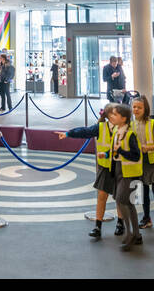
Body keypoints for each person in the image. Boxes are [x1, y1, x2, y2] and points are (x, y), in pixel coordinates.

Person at [59, 102, 142, 248]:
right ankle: (99, 226)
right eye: (111, 113)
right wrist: (68, 134)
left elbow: (133, 152)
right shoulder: (103, 127)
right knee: (103, 196)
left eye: (114, 113)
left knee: (121, 199)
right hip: (106, 167)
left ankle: (123, 225)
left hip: (122, 169)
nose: (111, 116)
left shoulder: (125, 130)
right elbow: (85, 131)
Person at [130, 94, 154, 230]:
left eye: (139, 107)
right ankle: (146, 217)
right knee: (144, 190)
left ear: (145, 109)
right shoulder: (131, 125)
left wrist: (147, 148)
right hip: (140, 162)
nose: (136, 110)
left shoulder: (152, 124)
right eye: (134, 107)